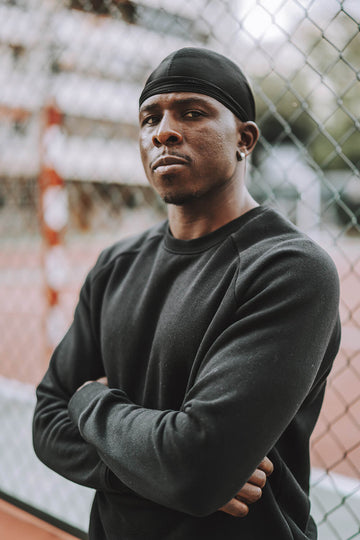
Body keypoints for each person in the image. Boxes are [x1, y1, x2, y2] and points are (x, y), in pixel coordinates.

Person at [33, 47, 341, 540]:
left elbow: (200, 465)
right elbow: (46, 421)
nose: (163, 131)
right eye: (149, 117)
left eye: (192, 112)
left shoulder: (289, 269)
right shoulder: (115, 265)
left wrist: (89, 400)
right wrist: (156, 474)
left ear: (244, 139)